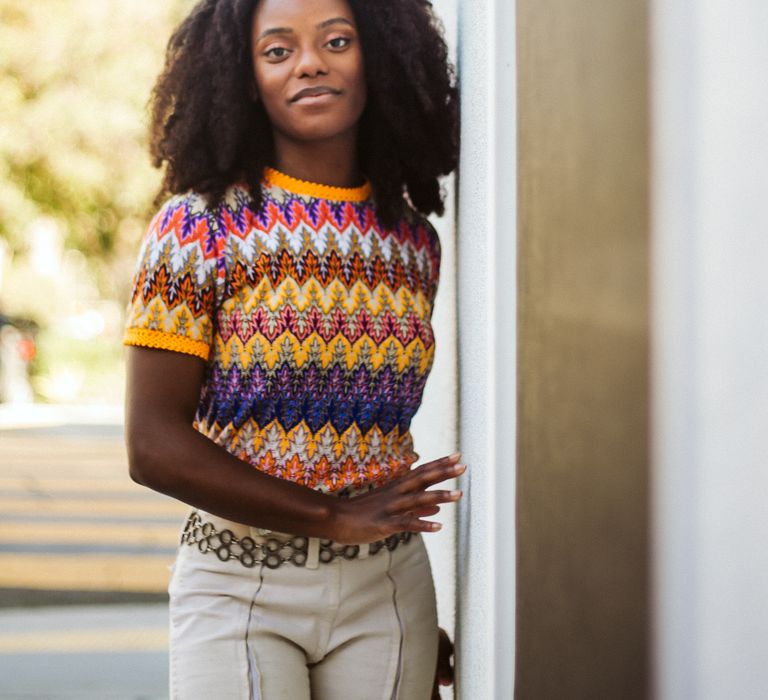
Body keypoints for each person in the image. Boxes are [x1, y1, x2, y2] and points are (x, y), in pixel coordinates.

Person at [123, 0, 462, 697]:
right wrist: (333, 517)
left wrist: (415, 617)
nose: (310, 62)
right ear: (245, 79)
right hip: (235, 585)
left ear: (378, 57)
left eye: (336, 41)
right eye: (277, 51)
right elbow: (152, 444)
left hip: (387, 589)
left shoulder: (412, 243)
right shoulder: (197, 231)